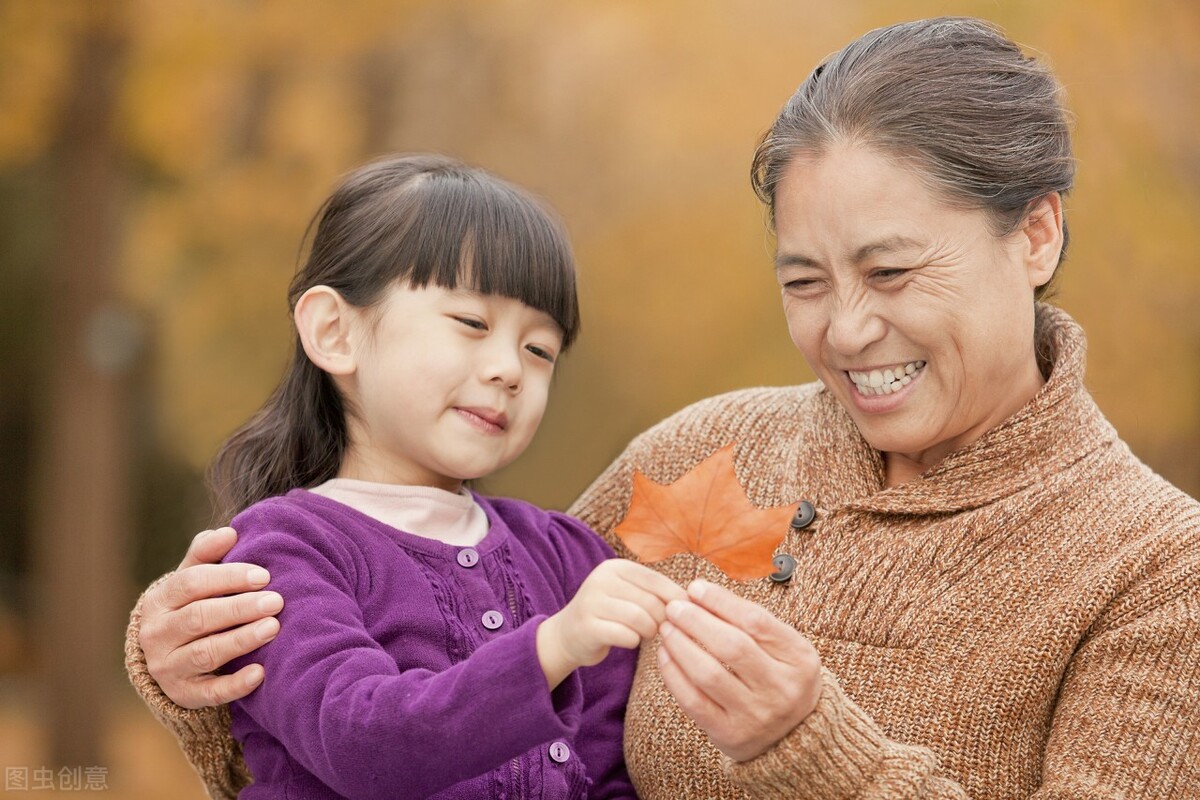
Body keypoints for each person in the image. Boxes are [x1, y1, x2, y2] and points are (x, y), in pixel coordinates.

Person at [126, 17, 1200, 799]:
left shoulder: (1156, 567)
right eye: (805, 282)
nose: (847, 330)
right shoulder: (707, 450)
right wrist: (203, 671)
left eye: (891, 270)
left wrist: (820, 751)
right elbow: (430, 693)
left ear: (1038, 234)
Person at [133, 152, 688, 799]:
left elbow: (613, 774)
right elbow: (364, 745)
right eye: (472, 324)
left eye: (540, 350)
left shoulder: (566, 556)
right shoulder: (281, 552)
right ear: (335, 331)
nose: (510, 369)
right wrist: (553, 647)